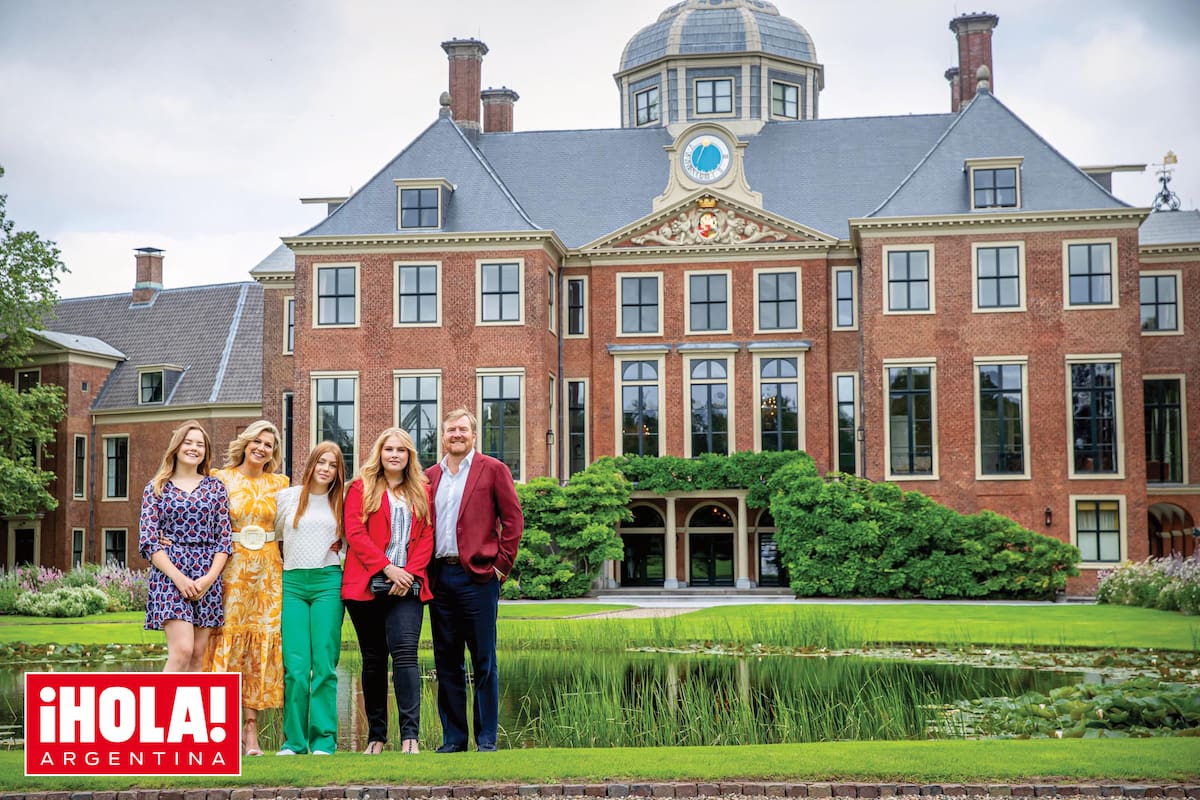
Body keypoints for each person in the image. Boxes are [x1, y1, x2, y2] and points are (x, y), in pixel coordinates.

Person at [426, 408, 523, 753]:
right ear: (443, 435)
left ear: (473, 435)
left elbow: (513, 521)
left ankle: (486, 739)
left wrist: (500, 568)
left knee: (484, 660)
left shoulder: (494, 470)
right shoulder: (429, 477)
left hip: (479, 577)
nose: (456, 434)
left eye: (463, 429)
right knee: (447, 661)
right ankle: (453, 739)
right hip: (440, 577)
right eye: (451, 429)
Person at [342, 427, 435, 755]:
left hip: (406, 589)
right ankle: (376, 738)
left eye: (401, 450)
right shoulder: (360, 487)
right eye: (388, 449)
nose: (394, 454)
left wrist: (407, 574)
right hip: (366, 585)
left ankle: (411, 736)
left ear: (409, 455)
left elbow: (427, 536)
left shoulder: (422, 490)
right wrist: (387, 568)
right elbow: (354, 532)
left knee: (407, 655)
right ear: (379, 453)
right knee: (373, 659)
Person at [204, 420, 290, 757]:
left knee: (260, 646)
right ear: (245, 443)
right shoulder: (221, 479)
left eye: (268, 445)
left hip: (268, 573)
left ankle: (251, 732)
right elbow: (206, 521)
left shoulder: (280, 484)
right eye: (257, 441)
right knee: (228, 643)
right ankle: (223, 730)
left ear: (273, 452)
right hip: (231, 570)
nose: (262, 448)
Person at [139, 420, 232, 672]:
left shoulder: (216, 487)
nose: (194, 448)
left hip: (206, 574)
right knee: (182, 651)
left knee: (198, 655)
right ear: (177, 447)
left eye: (200, 444)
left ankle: (188, 712)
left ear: (206, 451)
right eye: (188, 442)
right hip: (170, 574)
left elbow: (224, 539)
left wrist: (209, 579)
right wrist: (179, 579)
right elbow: (148, 540)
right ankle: (160, 711)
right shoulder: (157, 487)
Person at [273, 441, 347, 756]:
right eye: (321, 462)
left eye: (332, 464)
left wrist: (339, 551)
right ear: (311, 463)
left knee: (324, 665)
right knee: (296, 667)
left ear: (338, 471)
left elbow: (351, 541)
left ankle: (324, 741)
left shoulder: (342, 501)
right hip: (292, 583)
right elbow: (275, 540)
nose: (326, 469)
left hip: (328, 583)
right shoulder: (288, 498)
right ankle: (294, 742)